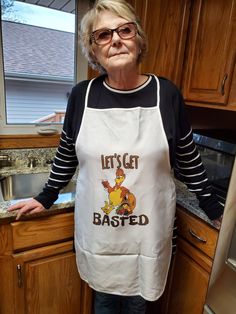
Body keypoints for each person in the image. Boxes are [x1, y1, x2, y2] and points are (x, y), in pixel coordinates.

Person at [8, 0, 224, 313]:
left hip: (146, 236)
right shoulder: (82, 96)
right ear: (93, 50)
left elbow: (188, 159)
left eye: (125, 29)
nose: (116, 39)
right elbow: (67, 153)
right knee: (104, 302)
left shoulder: (167, 95)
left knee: (138, 304)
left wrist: (212, 207)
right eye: (103, 35)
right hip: (100, 236)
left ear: (139, 39)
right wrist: (46, 196)